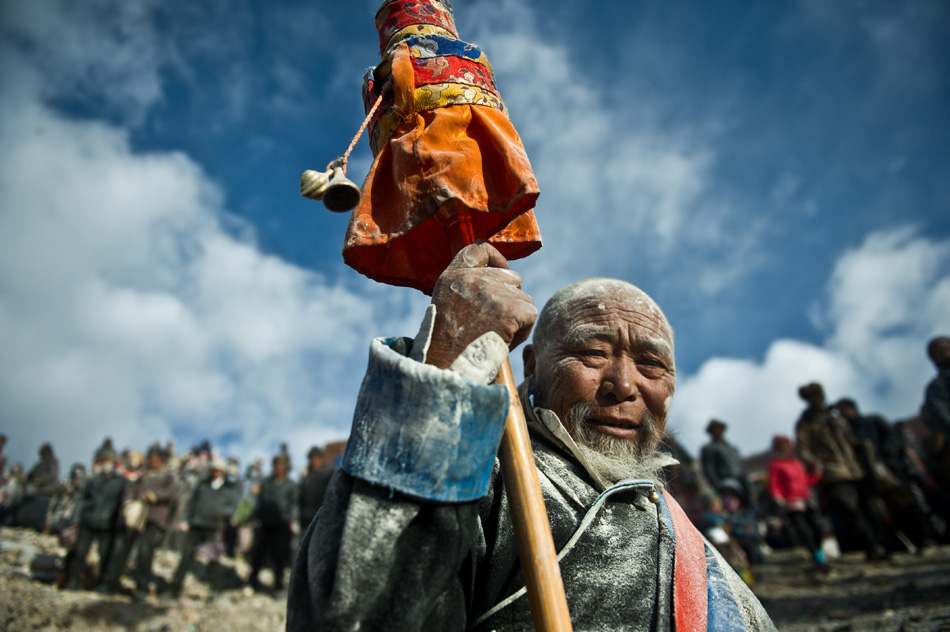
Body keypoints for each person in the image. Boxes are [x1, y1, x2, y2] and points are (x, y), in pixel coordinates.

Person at [287, 243, 776, 631]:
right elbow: (351, 612)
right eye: (592, 353)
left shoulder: (709, 568)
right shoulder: (488, 480)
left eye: (650, 365)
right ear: (532, 367)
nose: (624, 386)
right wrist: (438, 382)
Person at [795, 382, 888, 560]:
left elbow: (849, 440)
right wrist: (815, 462)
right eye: (813, 395)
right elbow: (803, 448)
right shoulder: (806, 423)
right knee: (850, 510)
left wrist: (863, 448)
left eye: (819, 394)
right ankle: (870, 547)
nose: (818, 398)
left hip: (855, 469)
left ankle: (879, 544)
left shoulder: (835, 418)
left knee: (870, 508)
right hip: (833, 472)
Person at [102, 444, 180, 597]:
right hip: (134, 517)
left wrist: (153, 495)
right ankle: (110, 583)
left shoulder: (168, 476)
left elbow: (172, 492)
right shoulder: (142, 475)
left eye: (155, 458)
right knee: (121, 548)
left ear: (162, 460)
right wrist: (128, 500)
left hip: (153, 518)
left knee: (145, 552)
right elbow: (130, 488)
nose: (152, 461)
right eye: (150, 457)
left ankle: (142, 588)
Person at [168, 458, 239, 598]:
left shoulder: (229, 489)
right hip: (197, 524)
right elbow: (191, 503)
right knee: (187, 556)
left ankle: (215, 590)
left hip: (215, 527)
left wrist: (223, 513)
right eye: (214, 470)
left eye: (218, 470)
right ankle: (173, 589)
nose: (216, 473)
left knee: (214, 558)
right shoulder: (202, 485)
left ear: (223, 472)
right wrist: (185, 519)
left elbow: (232, 507)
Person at [63, 447, 127, 590]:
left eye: (107, 461)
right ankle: (73, 580)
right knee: (79, 553)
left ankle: (102, 584)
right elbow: (81, 500)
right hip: (88, 521)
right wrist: (76, 520)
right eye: (102, 461)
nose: (105, 464)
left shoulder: (122, 482)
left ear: (114, 463)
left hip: (107, 524)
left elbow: (124, 501)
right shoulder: (93, 480)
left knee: (105, 555)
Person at [766, 435, 828, 571]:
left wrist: (816, 474)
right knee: (804, 530)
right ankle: (818, 557)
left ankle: (818, 551)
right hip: (791, 503)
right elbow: (774, 484)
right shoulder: (775, 465)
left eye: (786, 446)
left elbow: (806, 482)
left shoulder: (797, 463)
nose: (784, 449)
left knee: (817, 527)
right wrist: (777, 496)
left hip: (805, 500)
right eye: (781, 446)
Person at [248, 453, 299, 593]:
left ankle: (278, 584)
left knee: (279, 556)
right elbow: (259, 502)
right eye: (276, 465)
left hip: (281, 524)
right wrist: (254, 517)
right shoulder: (266, 483)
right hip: (264, 523)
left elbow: (294, 504)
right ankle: (252, 581)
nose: (278, 468)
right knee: (258, 553)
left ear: (286, 467)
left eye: (281, 465)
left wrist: (293, 520)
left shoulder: (291, 485)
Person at [700, 419, 751, 500]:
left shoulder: (733, 448)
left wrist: (748, 487)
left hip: (740, 484)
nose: (717, 431)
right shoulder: (708, 448)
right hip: (725, 485)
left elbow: (742, 468)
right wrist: (718, 487)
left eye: (718, 428)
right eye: (714, 429)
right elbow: (709, 469)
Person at [923, 336, 950, 489]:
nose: (945, 353)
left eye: (947, 348)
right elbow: (941, 416)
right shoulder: (937, 386)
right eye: (940, 352)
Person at [299, 446, 334, 530]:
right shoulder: (306, 476)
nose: (313, 460)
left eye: (315, 457)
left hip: (323, 515)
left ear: (321, 458)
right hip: (306, 518)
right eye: (311, 458)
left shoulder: (329, 473)